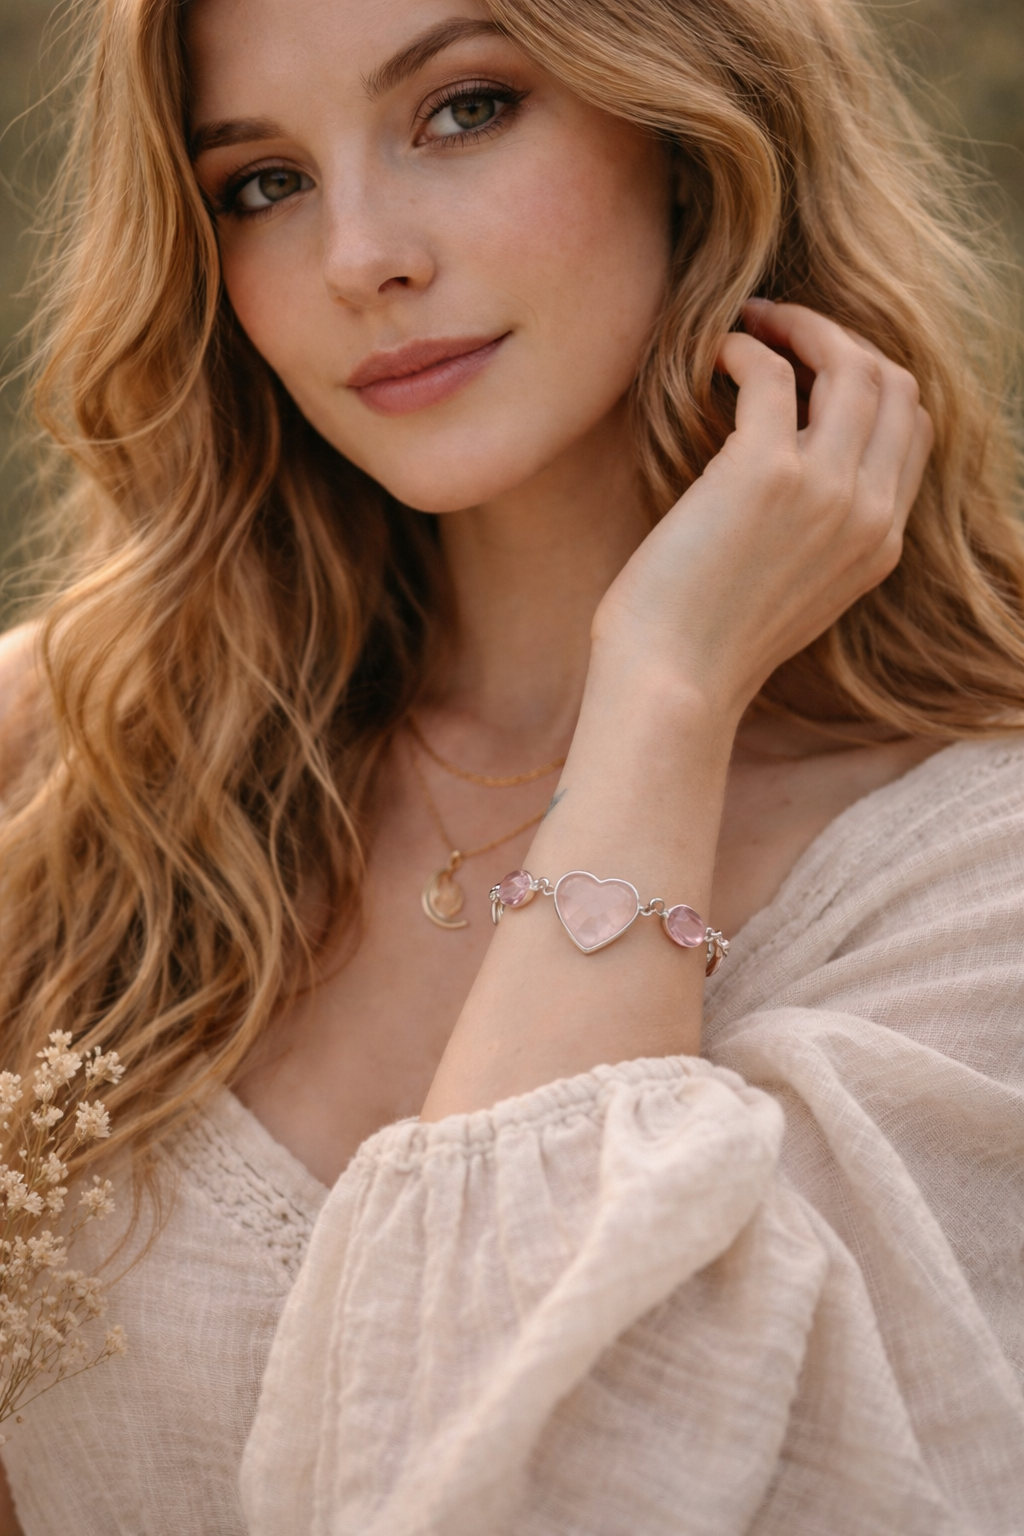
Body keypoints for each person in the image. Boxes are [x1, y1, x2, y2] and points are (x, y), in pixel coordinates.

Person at [0, 0, 1021, 1529]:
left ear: (698, 133)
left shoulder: (973, 878)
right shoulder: (67, 755)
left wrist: (663, 692)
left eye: (464, 111)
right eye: (261, 184)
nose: (360, 258)